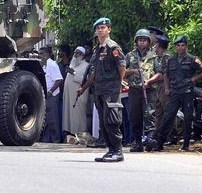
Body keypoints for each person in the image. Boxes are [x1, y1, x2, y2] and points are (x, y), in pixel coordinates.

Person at [78, 17, 126, 162]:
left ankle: (118, 151)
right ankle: (110, 150)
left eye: (103, 28)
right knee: (104, 121)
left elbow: (122, 67)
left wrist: (118, 82)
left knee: (112, 120)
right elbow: (93, 72)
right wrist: (84, 87)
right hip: (99, 89)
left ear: (109, 29)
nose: (100, 30)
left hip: (111, 89)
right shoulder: (97, 49)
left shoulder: (113, 47)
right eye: (98, 28)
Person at [154, 35, 202, 152]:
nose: (181, 48)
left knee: (188, 117)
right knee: (168, 116)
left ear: (186, 46)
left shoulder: (192, 59)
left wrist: (194, 79)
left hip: (187, 92)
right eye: (178, 45)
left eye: (183, 45)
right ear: (175, 47)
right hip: (174, 92)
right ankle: (160, 142)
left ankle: (186, 144)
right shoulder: (171, 60)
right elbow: (166, 75)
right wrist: (166, 88)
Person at [124, 29, 156, 152]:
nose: (142, 43)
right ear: (136, 41)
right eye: (140, 40)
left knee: (150, 114)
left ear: (148, 42)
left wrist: (149, 81)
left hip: (149, 90)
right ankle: (137, 142)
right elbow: (122, 71)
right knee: (135, 116)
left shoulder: (154, 56)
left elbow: (160, 73)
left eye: (144, 40)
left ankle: (150, 140)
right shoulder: (130, 56)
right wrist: (132, 71)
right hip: (134, 90)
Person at [144, 34, 171, 151]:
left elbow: (165, 74)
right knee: (158, 113)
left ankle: (168, 136)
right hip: (158, 88)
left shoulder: (166, 57)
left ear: (158, 45)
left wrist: (151, 79)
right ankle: (157, 138)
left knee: (167, 113)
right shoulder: (158, 57)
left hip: (165, 87)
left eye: (155, 44)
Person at [62, 46, 89, 136]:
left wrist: (73, 73)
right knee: (69, 114)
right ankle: (69, 132)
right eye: (75, 53)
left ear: (83, 55)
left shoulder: (86, 66)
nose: (76, 55)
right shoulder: (72, 64)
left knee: (78, 115)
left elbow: (86, 80)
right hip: (69, 95)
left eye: (78, 53)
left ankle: (80, 133)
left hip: (79, 96)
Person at [39, 46, 63, 143]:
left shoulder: (52, 64)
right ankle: (46, 139)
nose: (40, 55)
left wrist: (50, 91)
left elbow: (59, 80)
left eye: (42, 53)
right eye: (39, 54)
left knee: (53, 118)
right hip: (44, 94)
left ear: (48, 54)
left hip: (52, 95)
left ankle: (55, 139)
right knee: (45, 118)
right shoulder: (41, 64)